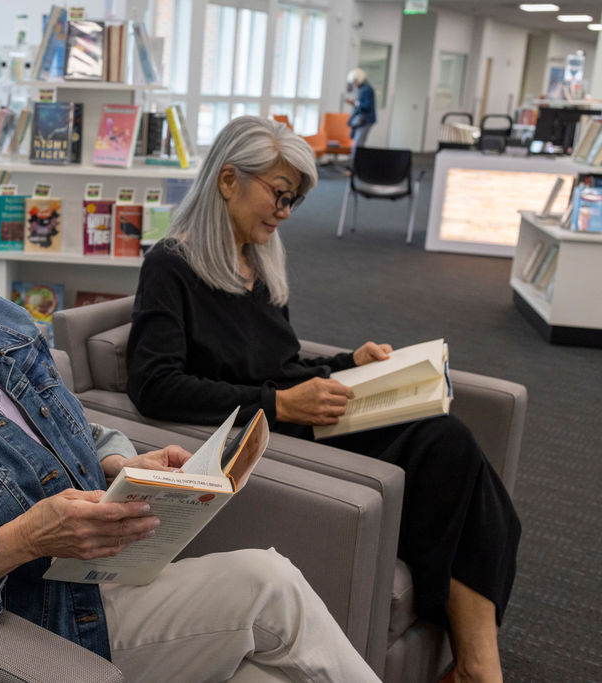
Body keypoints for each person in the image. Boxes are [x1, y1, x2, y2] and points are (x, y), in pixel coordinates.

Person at [0, 147, 378, 683]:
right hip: (38, 618)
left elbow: (60, 420)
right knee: (271, 586)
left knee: (270, 672)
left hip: (103, 574)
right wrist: (14, 543)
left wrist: (118, 459)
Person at [126, 117, 521, 683]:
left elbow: (279, 360)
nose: (284, 213)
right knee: (449, 445)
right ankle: (481, 669)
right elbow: (155, 385)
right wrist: (280, 404)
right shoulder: (171, 264)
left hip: (298, 411)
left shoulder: (256, 260)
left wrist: (345, 364)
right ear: (229, 179)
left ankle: (477, 667)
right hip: (273, 431)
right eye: (280, 195)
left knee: (450, 444)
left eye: (295, 201)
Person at [345, 68, 376, 163]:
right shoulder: (362, 89)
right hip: (361, 120)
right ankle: (356, 167)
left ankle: (354, 168)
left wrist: (355, 103)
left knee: (358, 145)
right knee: (358, 144)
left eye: (354, 81)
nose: (353, 84)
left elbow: (366, 106)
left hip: (365, 120)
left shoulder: (367, 89)